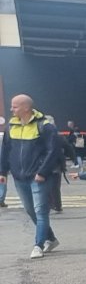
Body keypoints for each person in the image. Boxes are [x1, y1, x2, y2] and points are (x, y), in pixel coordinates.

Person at [0, 94, 62, 258]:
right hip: (19, 177)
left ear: (26, 108)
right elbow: (6, 150)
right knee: (30, 210)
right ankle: (51, 239)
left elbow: (53, 151)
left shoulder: (45, 126)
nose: (11, 109)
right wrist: (2, 172)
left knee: (41, 211)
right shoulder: (11, 126)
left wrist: (42, 172)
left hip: (38, 176)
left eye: (15, 106)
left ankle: (38, 245)